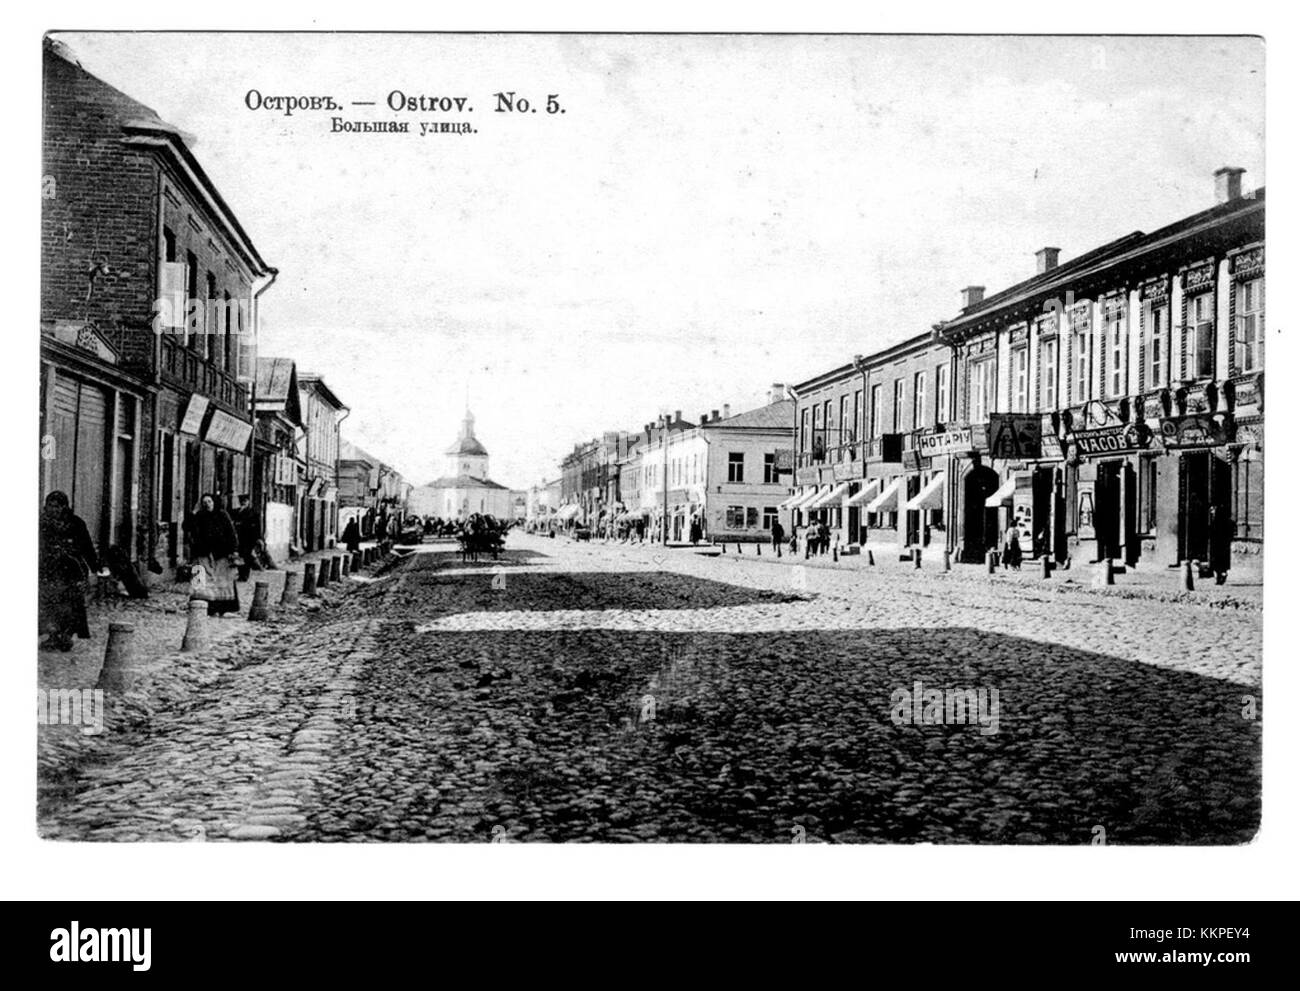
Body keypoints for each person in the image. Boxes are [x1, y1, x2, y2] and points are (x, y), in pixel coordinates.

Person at [38, 491, 97, 651]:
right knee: (50, 603)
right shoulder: (42, 523)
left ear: (65, 507)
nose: (53, 509)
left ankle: (66, 635)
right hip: (48, 570)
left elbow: (87, 547)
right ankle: (52, 635)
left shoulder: (76, 523)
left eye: (57, 506)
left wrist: (95, 567)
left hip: (72, 570)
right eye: (50, 505)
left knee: (71, 604)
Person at [186, 493, 241, 616]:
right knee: (200, 578)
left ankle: (223, 608)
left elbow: (231, 533)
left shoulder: (222, 515)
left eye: (209, 501)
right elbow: (187, 527)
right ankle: (199, 605)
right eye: (204, 502)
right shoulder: (199, 516)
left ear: (214, 502)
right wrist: (193, 513)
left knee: (222, 581)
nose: (207, 505)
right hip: (202, 552)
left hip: (221, 553)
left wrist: (234, 549)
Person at [232, 494, 262, 582]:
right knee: (239, 557)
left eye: (245, 501)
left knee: (246, 558)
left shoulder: (252, 513)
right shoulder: (236, 512)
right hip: (239, 538)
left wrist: (257, 538)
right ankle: (241, 573)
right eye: (241, 501)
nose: (243, 503)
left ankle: (244, 575)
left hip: (248, 539)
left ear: (248, 502)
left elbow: (257, 527)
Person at [1209, 504, 1234, 585]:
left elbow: (1212, 532)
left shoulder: (1216, 521)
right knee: (1221, 562)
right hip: (1222, 545)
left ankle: (1220, 577)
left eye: (1213, 510)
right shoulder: (1227, 521)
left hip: (1218, 544)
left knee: (1218, 562)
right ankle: (1221, 576)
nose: (1211, 512)